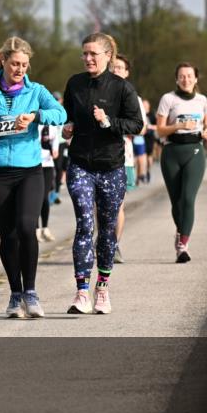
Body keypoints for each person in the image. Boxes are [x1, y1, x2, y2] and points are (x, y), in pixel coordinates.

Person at [0, 36, 67, 318]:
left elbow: (61, 112)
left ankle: (31, 293)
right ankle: (14, 294)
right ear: (3, 62)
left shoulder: (37, 91)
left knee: (25, 227)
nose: (20, 69)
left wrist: (36, 116)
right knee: (7, 234)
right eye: (15, 64)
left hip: (30, 171)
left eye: (24, 64)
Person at [61, 32, 144, 315]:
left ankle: (103, 288)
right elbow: (67, 116)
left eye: (93, 54)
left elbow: (137, 124)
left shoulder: (122, 88)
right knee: (85, 224)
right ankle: (81, 291)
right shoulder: (74, 84)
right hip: (81, 164)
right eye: (84, 53)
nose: (87, 58)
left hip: (111, 167)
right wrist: (67, 127)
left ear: (108, 56)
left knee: (107, 229)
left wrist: (108, 121)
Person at [155, 63, 207, 264]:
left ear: (196, 79)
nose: (186, 79)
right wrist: (179, 125)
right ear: (176, 79)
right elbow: (160, 130)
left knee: (188, 198)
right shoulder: (168, 99)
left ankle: (183, 245)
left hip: (194, 151)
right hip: (171, 151)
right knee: (177, 202)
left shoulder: (202, 100)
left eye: (189, 76)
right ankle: (181, 233)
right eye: (182, 76)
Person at [108, 55, 148, 264]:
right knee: (99, 206)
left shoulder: (133, 97)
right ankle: (104, 240)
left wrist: (115, 126)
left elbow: (142, 126)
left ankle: (114, 245)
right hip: (100, 156)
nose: (115, 71)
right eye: (112, 67)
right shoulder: (100, 93)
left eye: (120, 68)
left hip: (124, 157)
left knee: (118, 205)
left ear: (126, 73)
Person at [37, 121, 61, 243]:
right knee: (35, 198)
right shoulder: (34, 124)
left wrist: (55, 150)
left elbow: (55, 139)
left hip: (48, 164)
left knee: (44, 196)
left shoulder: (51, 125)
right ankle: (36, 229)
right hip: (34, 164)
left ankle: (45, 228)